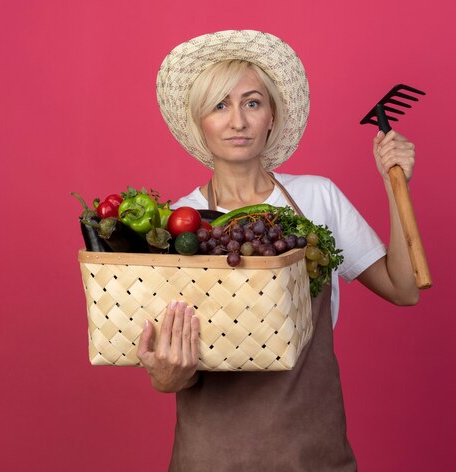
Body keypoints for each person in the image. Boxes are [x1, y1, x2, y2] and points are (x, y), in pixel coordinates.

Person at [137, 30, 420, 471]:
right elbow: (173, 375)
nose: (237, 122)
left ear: (271, 116)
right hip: (209, 458)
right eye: (220, 106)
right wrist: (165, 371)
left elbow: (405, 289)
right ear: (200, 122)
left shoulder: (318, 198)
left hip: (312, 453)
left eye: (252, 103)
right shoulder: (178, 222)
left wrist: (392, 184)